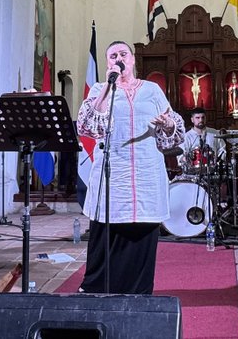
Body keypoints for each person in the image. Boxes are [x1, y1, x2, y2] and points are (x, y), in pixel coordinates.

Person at [76, 41, 185, 294]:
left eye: (123, 54)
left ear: (133, 60)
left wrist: (168, 124)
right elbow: (87, 127)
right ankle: (97, 291)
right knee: (107, 231)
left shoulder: (152, 90)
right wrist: (106, 87)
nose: (118, 58)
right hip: (113, 175)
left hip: (146, 174)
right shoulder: (99, 89)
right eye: (113, 55)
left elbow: (174, 131)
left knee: (142, 235)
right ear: (107, 63)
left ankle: (138, 293)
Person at [178, 107, 225, 172]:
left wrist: (218, 160)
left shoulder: (214, 133)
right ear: (192, 120)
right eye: (197, 118)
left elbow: (222, 149)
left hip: (214, 170)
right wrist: (185, 159)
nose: (201, 120)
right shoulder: (186, 136)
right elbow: (180, 154)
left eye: (203, 117)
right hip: (193, 171)